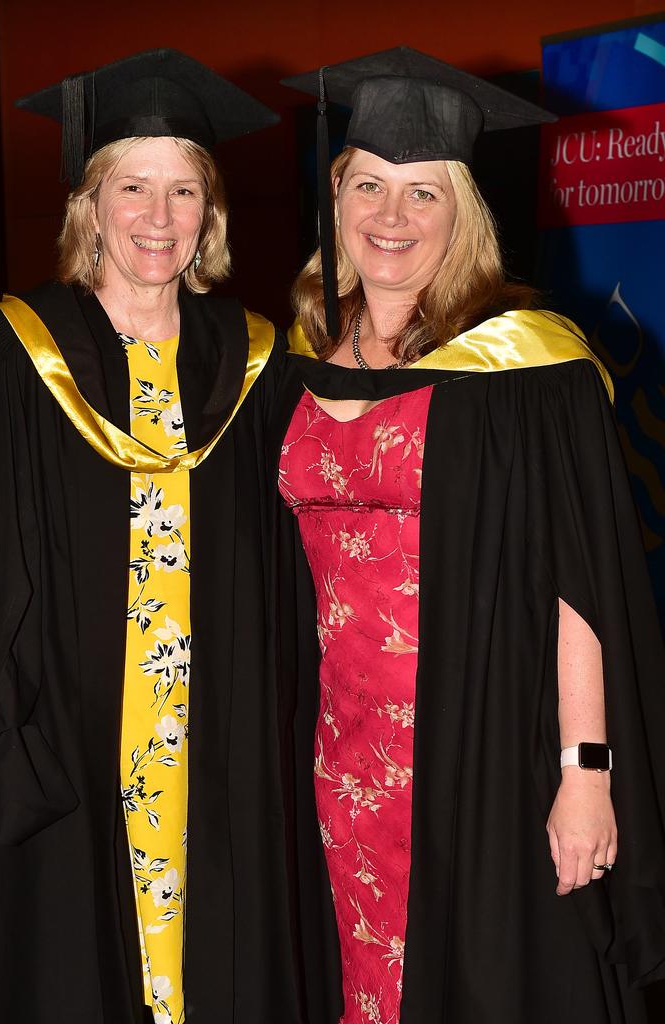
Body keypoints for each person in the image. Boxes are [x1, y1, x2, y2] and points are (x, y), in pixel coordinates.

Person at [0, 49, 299, 1024]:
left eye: (183, 190)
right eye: (133, 186)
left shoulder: (252, 358)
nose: (158, 218)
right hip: (66, 752)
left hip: (222, 753)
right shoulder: (19, 350)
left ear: (212, 211)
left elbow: (288, 574)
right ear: (89, 202)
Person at [272, 47, 665, 1024]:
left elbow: (581, 586)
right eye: (369, 186)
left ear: (463, 215)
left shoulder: (523, 370)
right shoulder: (297, 361)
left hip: (482, 744)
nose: (390, 219)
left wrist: (586, 773)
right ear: (337, 196)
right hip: (335, 756)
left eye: (422, 194)